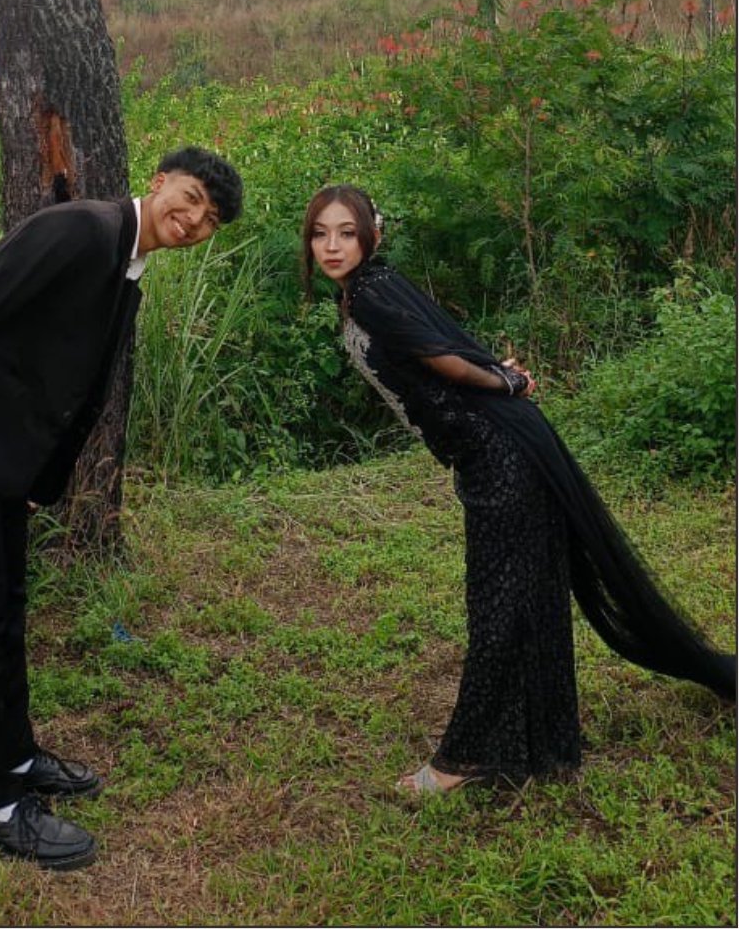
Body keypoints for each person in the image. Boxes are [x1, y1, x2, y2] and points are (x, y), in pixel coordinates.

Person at [0, 147, 242, 869]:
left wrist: (45, 478)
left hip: (3, 457)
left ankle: (15, 757)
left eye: (210, 219)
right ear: (159, 183)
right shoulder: (81, 229)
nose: (193, 221)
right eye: (190, 199)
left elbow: (79, 385)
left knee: (5, 608)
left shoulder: (126, 261)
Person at [303, 184, 734, 796]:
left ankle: (461, 762)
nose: (332, 246)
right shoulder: (372, 287)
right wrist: (496, 374)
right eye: (320, 234)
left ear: (372, 235)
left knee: (498, 606)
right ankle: (546, 749)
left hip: (499, 457)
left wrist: (503, 382)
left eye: (346, 233)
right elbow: (443, 343)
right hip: (492, 452)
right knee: (529, 598)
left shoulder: (371, 292)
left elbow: (443, 358)